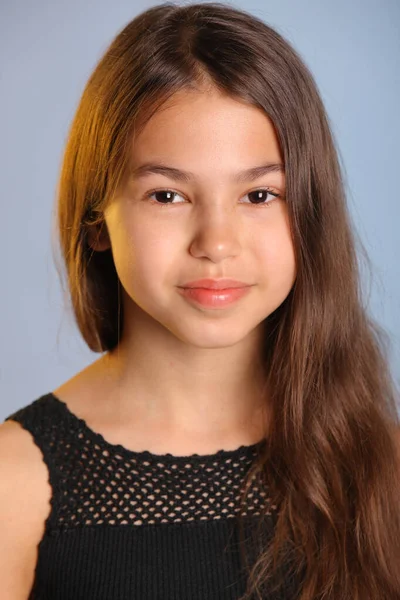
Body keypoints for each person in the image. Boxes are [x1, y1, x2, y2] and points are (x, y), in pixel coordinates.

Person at [1, 2, 400, 599]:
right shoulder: (16, 487)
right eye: (167, 196)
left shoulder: (380, 460)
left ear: (310, 210)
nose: (216, 243)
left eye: (260, 194)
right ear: (96, 221)